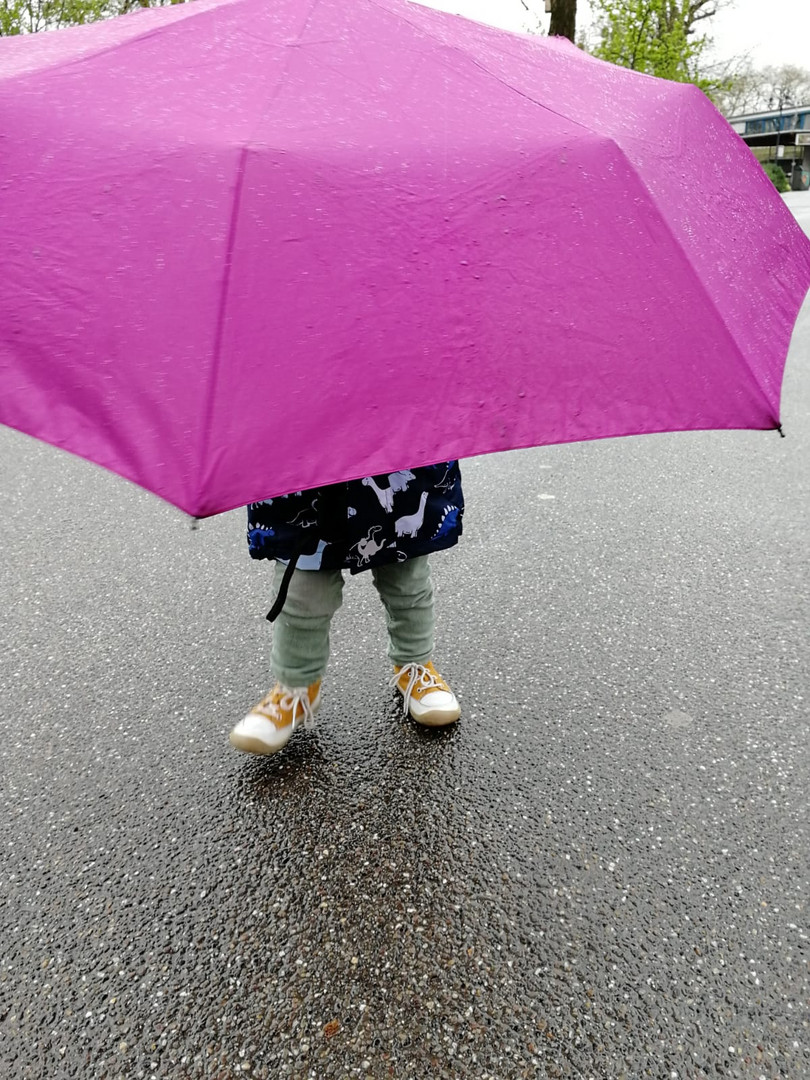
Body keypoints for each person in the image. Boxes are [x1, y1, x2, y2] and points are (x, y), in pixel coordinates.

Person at [229, 461, 465, 755]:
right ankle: (296, 688)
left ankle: (414, 665)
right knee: (302, 587)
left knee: (407, 580)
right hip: (302, 460)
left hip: (394, 448)